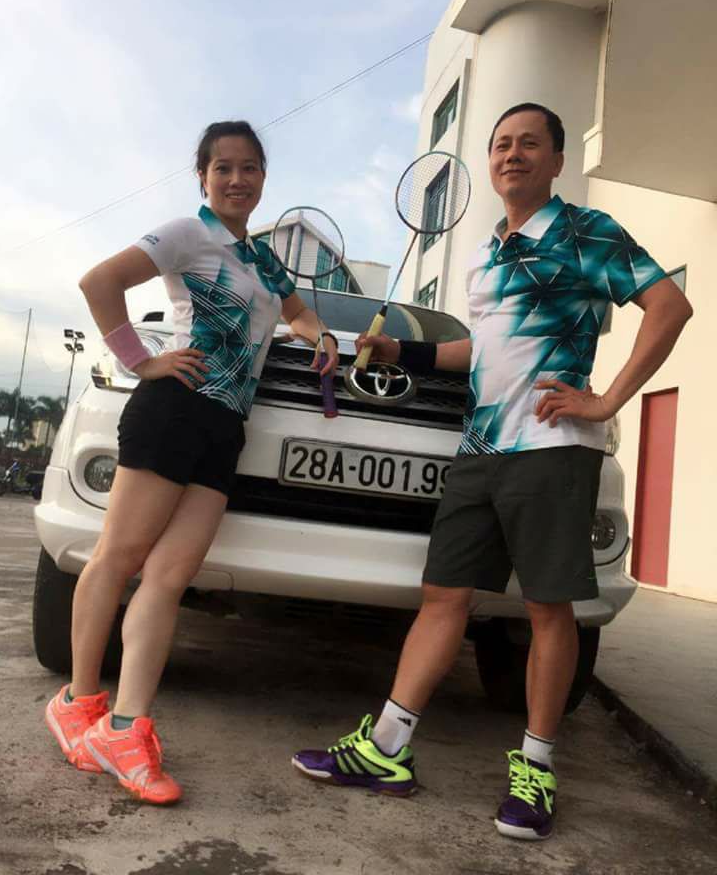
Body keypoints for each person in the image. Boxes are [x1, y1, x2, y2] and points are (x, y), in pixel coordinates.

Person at [292, 103, 693, 840]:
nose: (513, 154)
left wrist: (607, 399)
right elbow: (481, 348)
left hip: (553, 448)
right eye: (502, 144)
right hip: (478, 450)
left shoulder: (587, 233)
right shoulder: (484, 253)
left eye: (529, 144)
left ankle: (537, 768)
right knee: (443, 597)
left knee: (547, 610)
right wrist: (405, 352)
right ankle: (387, 749)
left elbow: (669, 305)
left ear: (556, 160)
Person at [45, 120, 338, 805]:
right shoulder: (186, 233)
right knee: (117, 557)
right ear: (202, 176)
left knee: (170, 577)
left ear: (264, 177)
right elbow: (99, 282)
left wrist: (318, 333)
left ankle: (125, 729)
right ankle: (79, 703)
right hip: (173, 409)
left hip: (225, 426)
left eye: (249, 167)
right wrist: (140, 361)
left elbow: (296, 313)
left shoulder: (263, 260)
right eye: (223, 167)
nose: (237, 179)